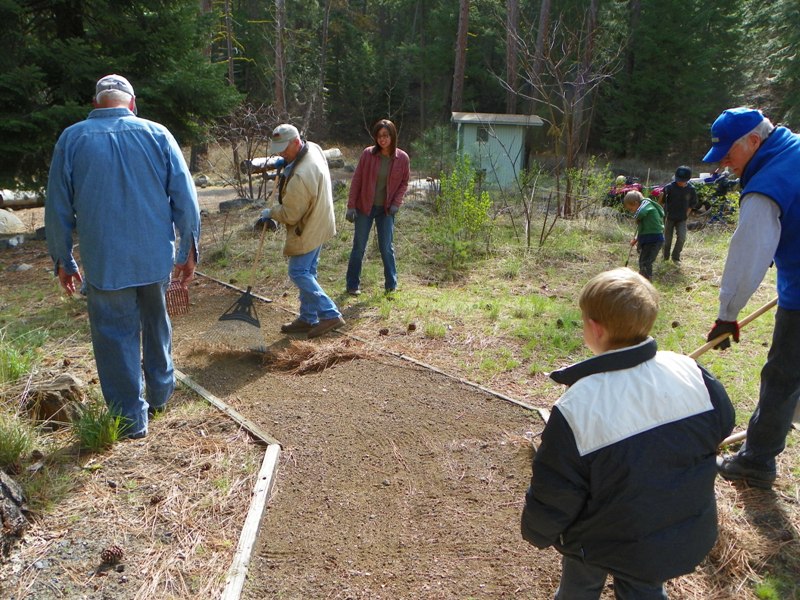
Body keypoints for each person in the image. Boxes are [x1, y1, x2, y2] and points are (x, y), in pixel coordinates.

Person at [521, 267, 734, 600]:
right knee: (644, 589)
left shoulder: (578, 405)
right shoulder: (690, 372)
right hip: (670, 532)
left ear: (594, 328)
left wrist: (537, 531)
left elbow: (557, 488)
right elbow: (722, 425)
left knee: (578, 585)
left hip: (595, 538)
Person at [45, 74, 200, 440]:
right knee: (157, 322)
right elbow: (186, 198)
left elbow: (57, 209)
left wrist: (63, 260)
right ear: (132, 103)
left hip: (106, 262)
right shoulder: (158, 134)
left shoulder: (72, 139)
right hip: (154, 259)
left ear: (96, 104)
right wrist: (187, 251)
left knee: (115, 337)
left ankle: (131, 419)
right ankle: (160, 395)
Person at [703, 107, 800, 489]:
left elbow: (747, 258)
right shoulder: (792, 148)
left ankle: (757, 461)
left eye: (729, 153)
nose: (725, 163)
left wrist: (728, 315)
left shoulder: (766, 186)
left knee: (782, 376)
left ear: (755, 142)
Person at [259, 124, 344, 338]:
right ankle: (308, 318)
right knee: (309, 271)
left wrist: (270, 212)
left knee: (298, 272)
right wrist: (286, 162)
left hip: (309, 226)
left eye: (284, 149)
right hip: (321, 219)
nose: (280, 153)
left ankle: (330, 313)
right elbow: (296, 160)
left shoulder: (301, 177)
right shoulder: (312, 148)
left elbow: (290, 214)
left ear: (297, 142)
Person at [345, 119, 410, 295]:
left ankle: (391, 285)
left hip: (387, 210)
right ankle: (352, 285)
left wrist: (397, 203)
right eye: (379, 136)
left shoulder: (402, 158)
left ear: (392, 136)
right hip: (364, 207)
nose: (382, 139)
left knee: (386, 247)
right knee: (359, 246)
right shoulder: (368, 154)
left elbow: (404, 182)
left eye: (386, 136)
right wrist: (351, 206)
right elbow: (357, 180)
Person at [623, 190, 664, 280]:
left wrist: (636, 217)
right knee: (642, 262)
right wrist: (637, 239)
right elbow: (643, 228)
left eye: (631, 209)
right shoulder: (643, 209)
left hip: (654, 240)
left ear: (635, 203)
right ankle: (643, 279)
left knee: (646, 263)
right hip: (647, 239)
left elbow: (640, 213)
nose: (632, 212)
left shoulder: (646, 204)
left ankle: (646, 282)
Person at [661, 165, 698, 263]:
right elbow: (661, 201)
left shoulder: (691, 189)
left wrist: (686, 214)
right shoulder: (669, 188)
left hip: (682, 218)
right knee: (667, 240)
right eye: (678, 180)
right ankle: (665, 257)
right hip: (669, 217)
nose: (680, 182)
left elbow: (692, 204)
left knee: (682, 237)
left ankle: (675, 257)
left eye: (682, 180)